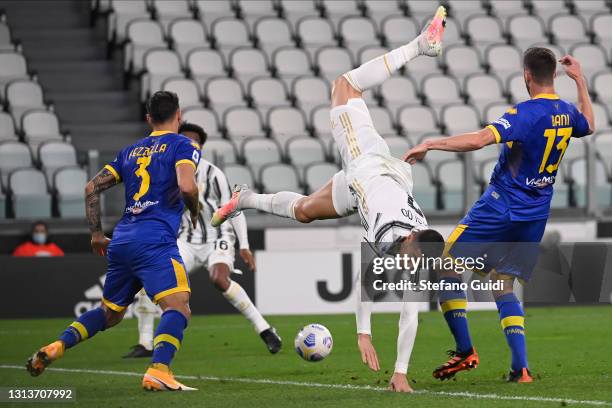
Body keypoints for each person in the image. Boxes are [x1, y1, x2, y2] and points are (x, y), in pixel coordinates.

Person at [211, 6, 448, 392]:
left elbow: (410, 313)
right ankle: (421, 45)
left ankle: (243, 199)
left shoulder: (415, 248)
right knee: (343, 84)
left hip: (364, 187)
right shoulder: (390, 230)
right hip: (366, 159)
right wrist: (363, 333)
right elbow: (367, 281)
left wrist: (401, 371)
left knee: (304, 211)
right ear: (409, 241)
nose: (410, 267)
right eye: (412, 259)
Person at [403, 49, 595, 383]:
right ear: (554, 75)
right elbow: (589, 124)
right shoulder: (565, 111)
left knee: (445, 264)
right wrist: (579, 80)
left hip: (501, 205)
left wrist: (431, 143)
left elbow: (479, 139)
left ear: (526, 75)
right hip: (535, 214)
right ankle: (521, 369)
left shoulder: (524, 114)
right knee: (502, 283)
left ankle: (465, 350)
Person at [26, 91, 203, 391]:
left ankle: (58, 345)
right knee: (178, 307)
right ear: (179, 115)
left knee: (110, 313)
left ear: (148, 118)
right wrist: (196, 211)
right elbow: (187, 186)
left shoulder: (130, 151)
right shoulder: (184, 145)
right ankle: (160, 369)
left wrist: (96, 234)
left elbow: (91, 188)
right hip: (155, 239)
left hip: (122, 239)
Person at [124, 121, 281, 359]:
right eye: (185, 140)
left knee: (218, 278)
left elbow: (233, 209)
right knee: (151, 281)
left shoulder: (213, 174)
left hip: (217, 236)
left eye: (194, 142)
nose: (189, 144)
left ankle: (265, 330)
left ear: (200, 147)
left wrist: (245, 245)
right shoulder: (165, 173)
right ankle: (145, 343)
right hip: (185, 240)